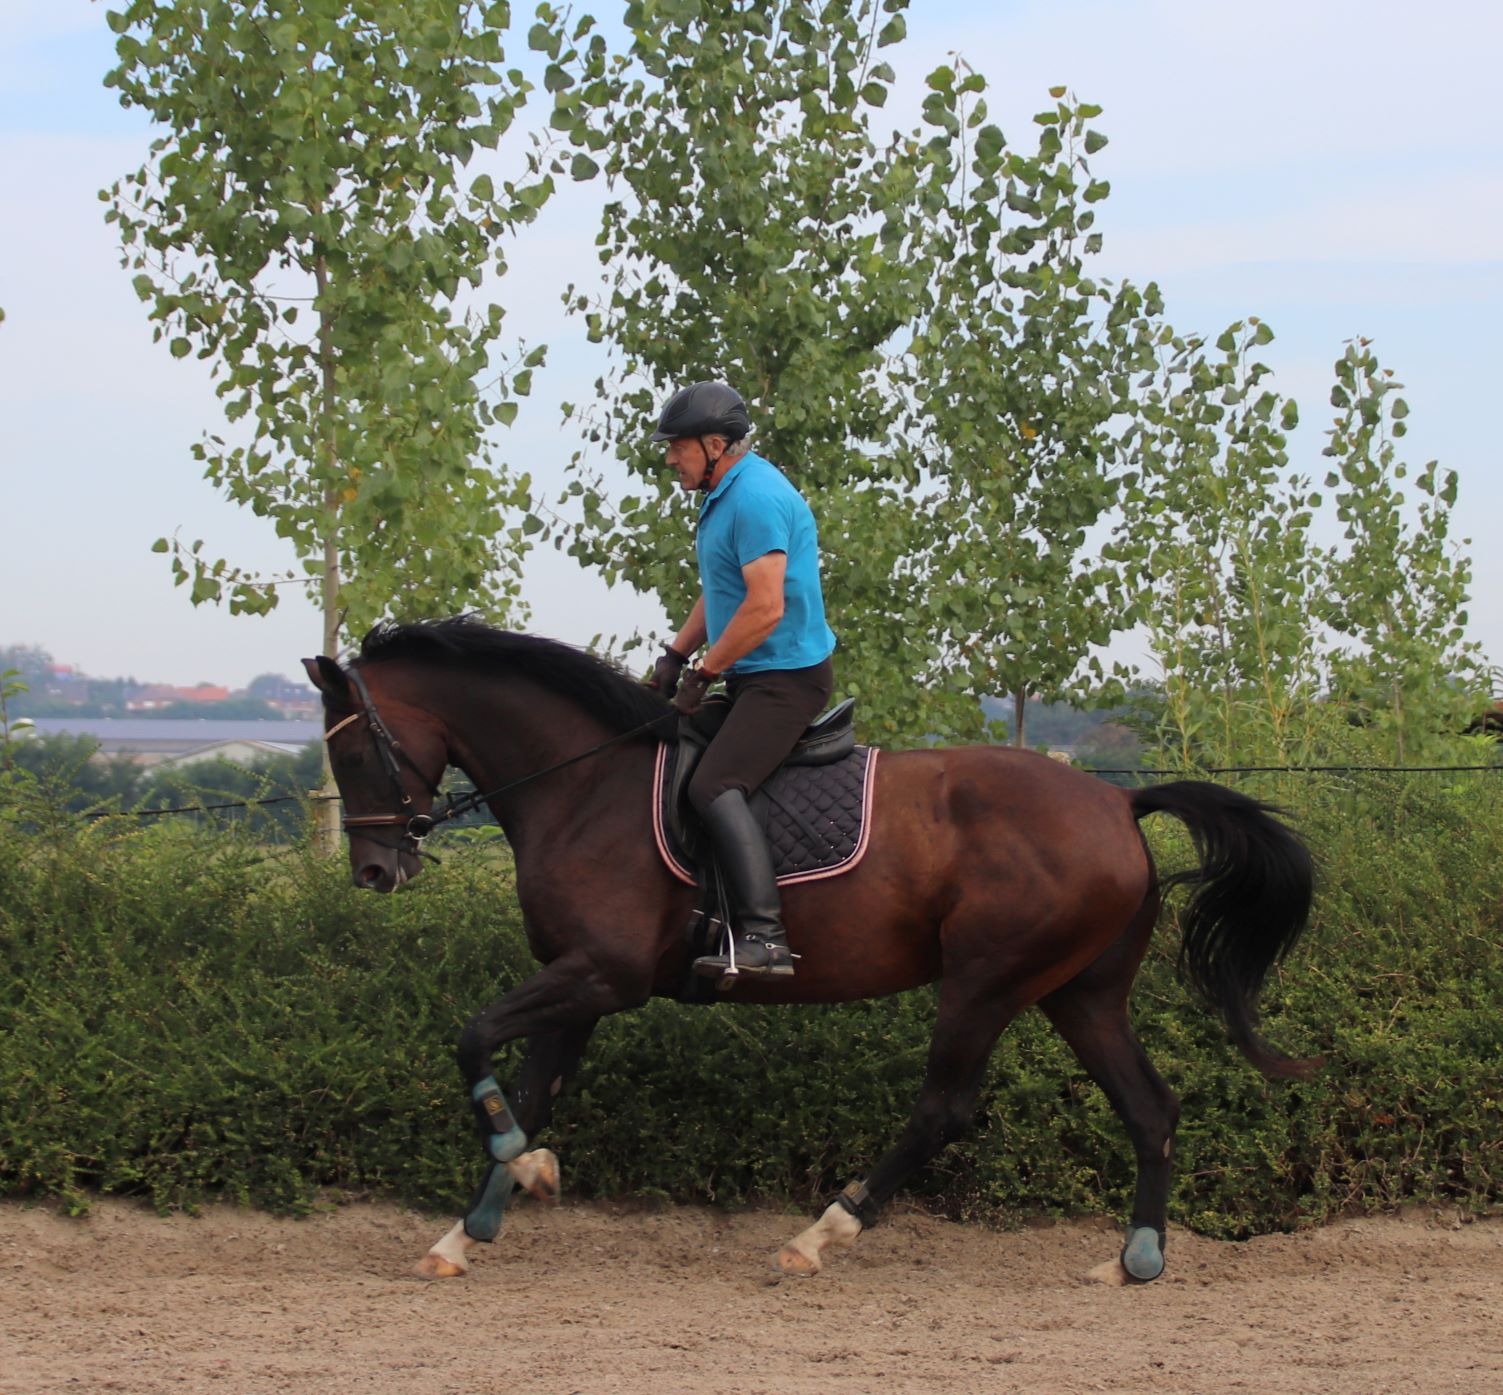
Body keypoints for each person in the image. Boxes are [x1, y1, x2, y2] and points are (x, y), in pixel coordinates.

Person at [644, 381, 837, 978]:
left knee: (715, 786)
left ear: (714, 444)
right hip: (755, 675)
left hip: (787, 681)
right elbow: (722, 590)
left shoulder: (754, 497)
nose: (670, 458)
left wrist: (705, 672)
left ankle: (765, 936)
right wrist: (675, 655)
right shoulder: (724, 496)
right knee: (674, 750)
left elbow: (764, 607)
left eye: (677, 447)